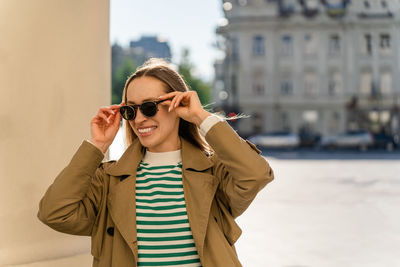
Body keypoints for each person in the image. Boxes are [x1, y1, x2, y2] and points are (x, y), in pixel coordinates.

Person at [37, 58, 274, 267]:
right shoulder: (108, 179)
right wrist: (97, 146)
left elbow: (256, 174)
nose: (139, 119)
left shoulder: (213, 172)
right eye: (130, 110)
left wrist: (201, 117)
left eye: (149, 107)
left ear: (177, 105)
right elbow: (55, 213)